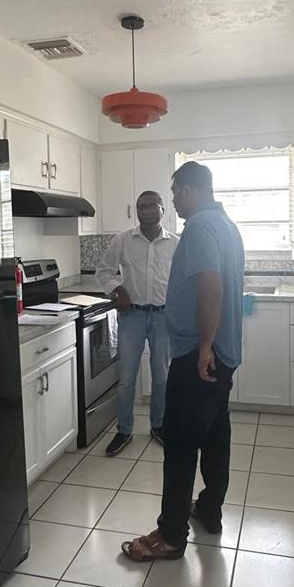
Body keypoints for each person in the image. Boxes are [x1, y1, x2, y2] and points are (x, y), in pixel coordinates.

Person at [122, 161, 245, 560]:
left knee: (178, 445)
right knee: (215, 437)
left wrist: (204, 346)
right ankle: (209, 509)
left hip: (198, 355)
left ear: (190, 190)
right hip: (221, 355)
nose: (172, 200)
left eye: (174, 192)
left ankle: (171, 535)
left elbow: (210, 284)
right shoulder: (228, 226)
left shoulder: (198, 228)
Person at [96, 190, 179, 454]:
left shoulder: (176, 244)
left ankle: (159, 426)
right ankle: (124, 431)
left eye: (152, 206)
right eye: (141, 206)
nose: (146, 211)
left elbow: (182, 279)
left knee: (162, 377)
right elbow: (104, 270)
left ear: (163, 209)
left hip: (164, 317)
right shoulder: (123, 240)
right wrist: (117, 289)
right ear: (136, 211)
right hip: (132, 316)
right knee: (126, 378)